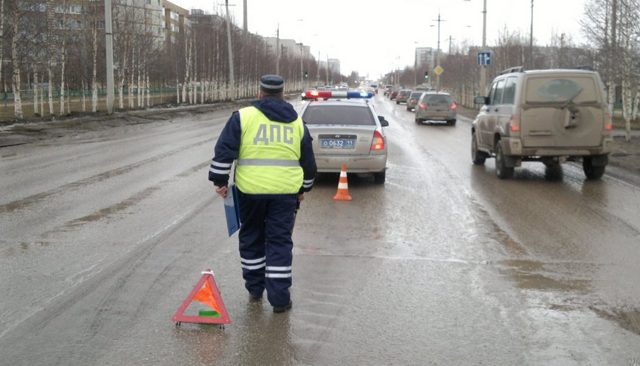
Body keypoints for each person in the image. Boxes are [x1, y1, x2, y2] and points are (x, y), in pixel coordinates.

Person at [209, 74, 317, 313]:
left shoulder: (243, 117)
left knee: (252, 237)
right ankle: (280, 299)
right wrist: (304, 189)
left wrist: (220, 181)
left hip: (250, 191)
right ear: (281, 93)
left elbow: (224, 151)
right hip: (285, 194)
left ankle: (255, 289)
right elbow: (308, 162)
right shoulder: (297, 123)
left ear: (260, 93)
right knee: (279, 242)